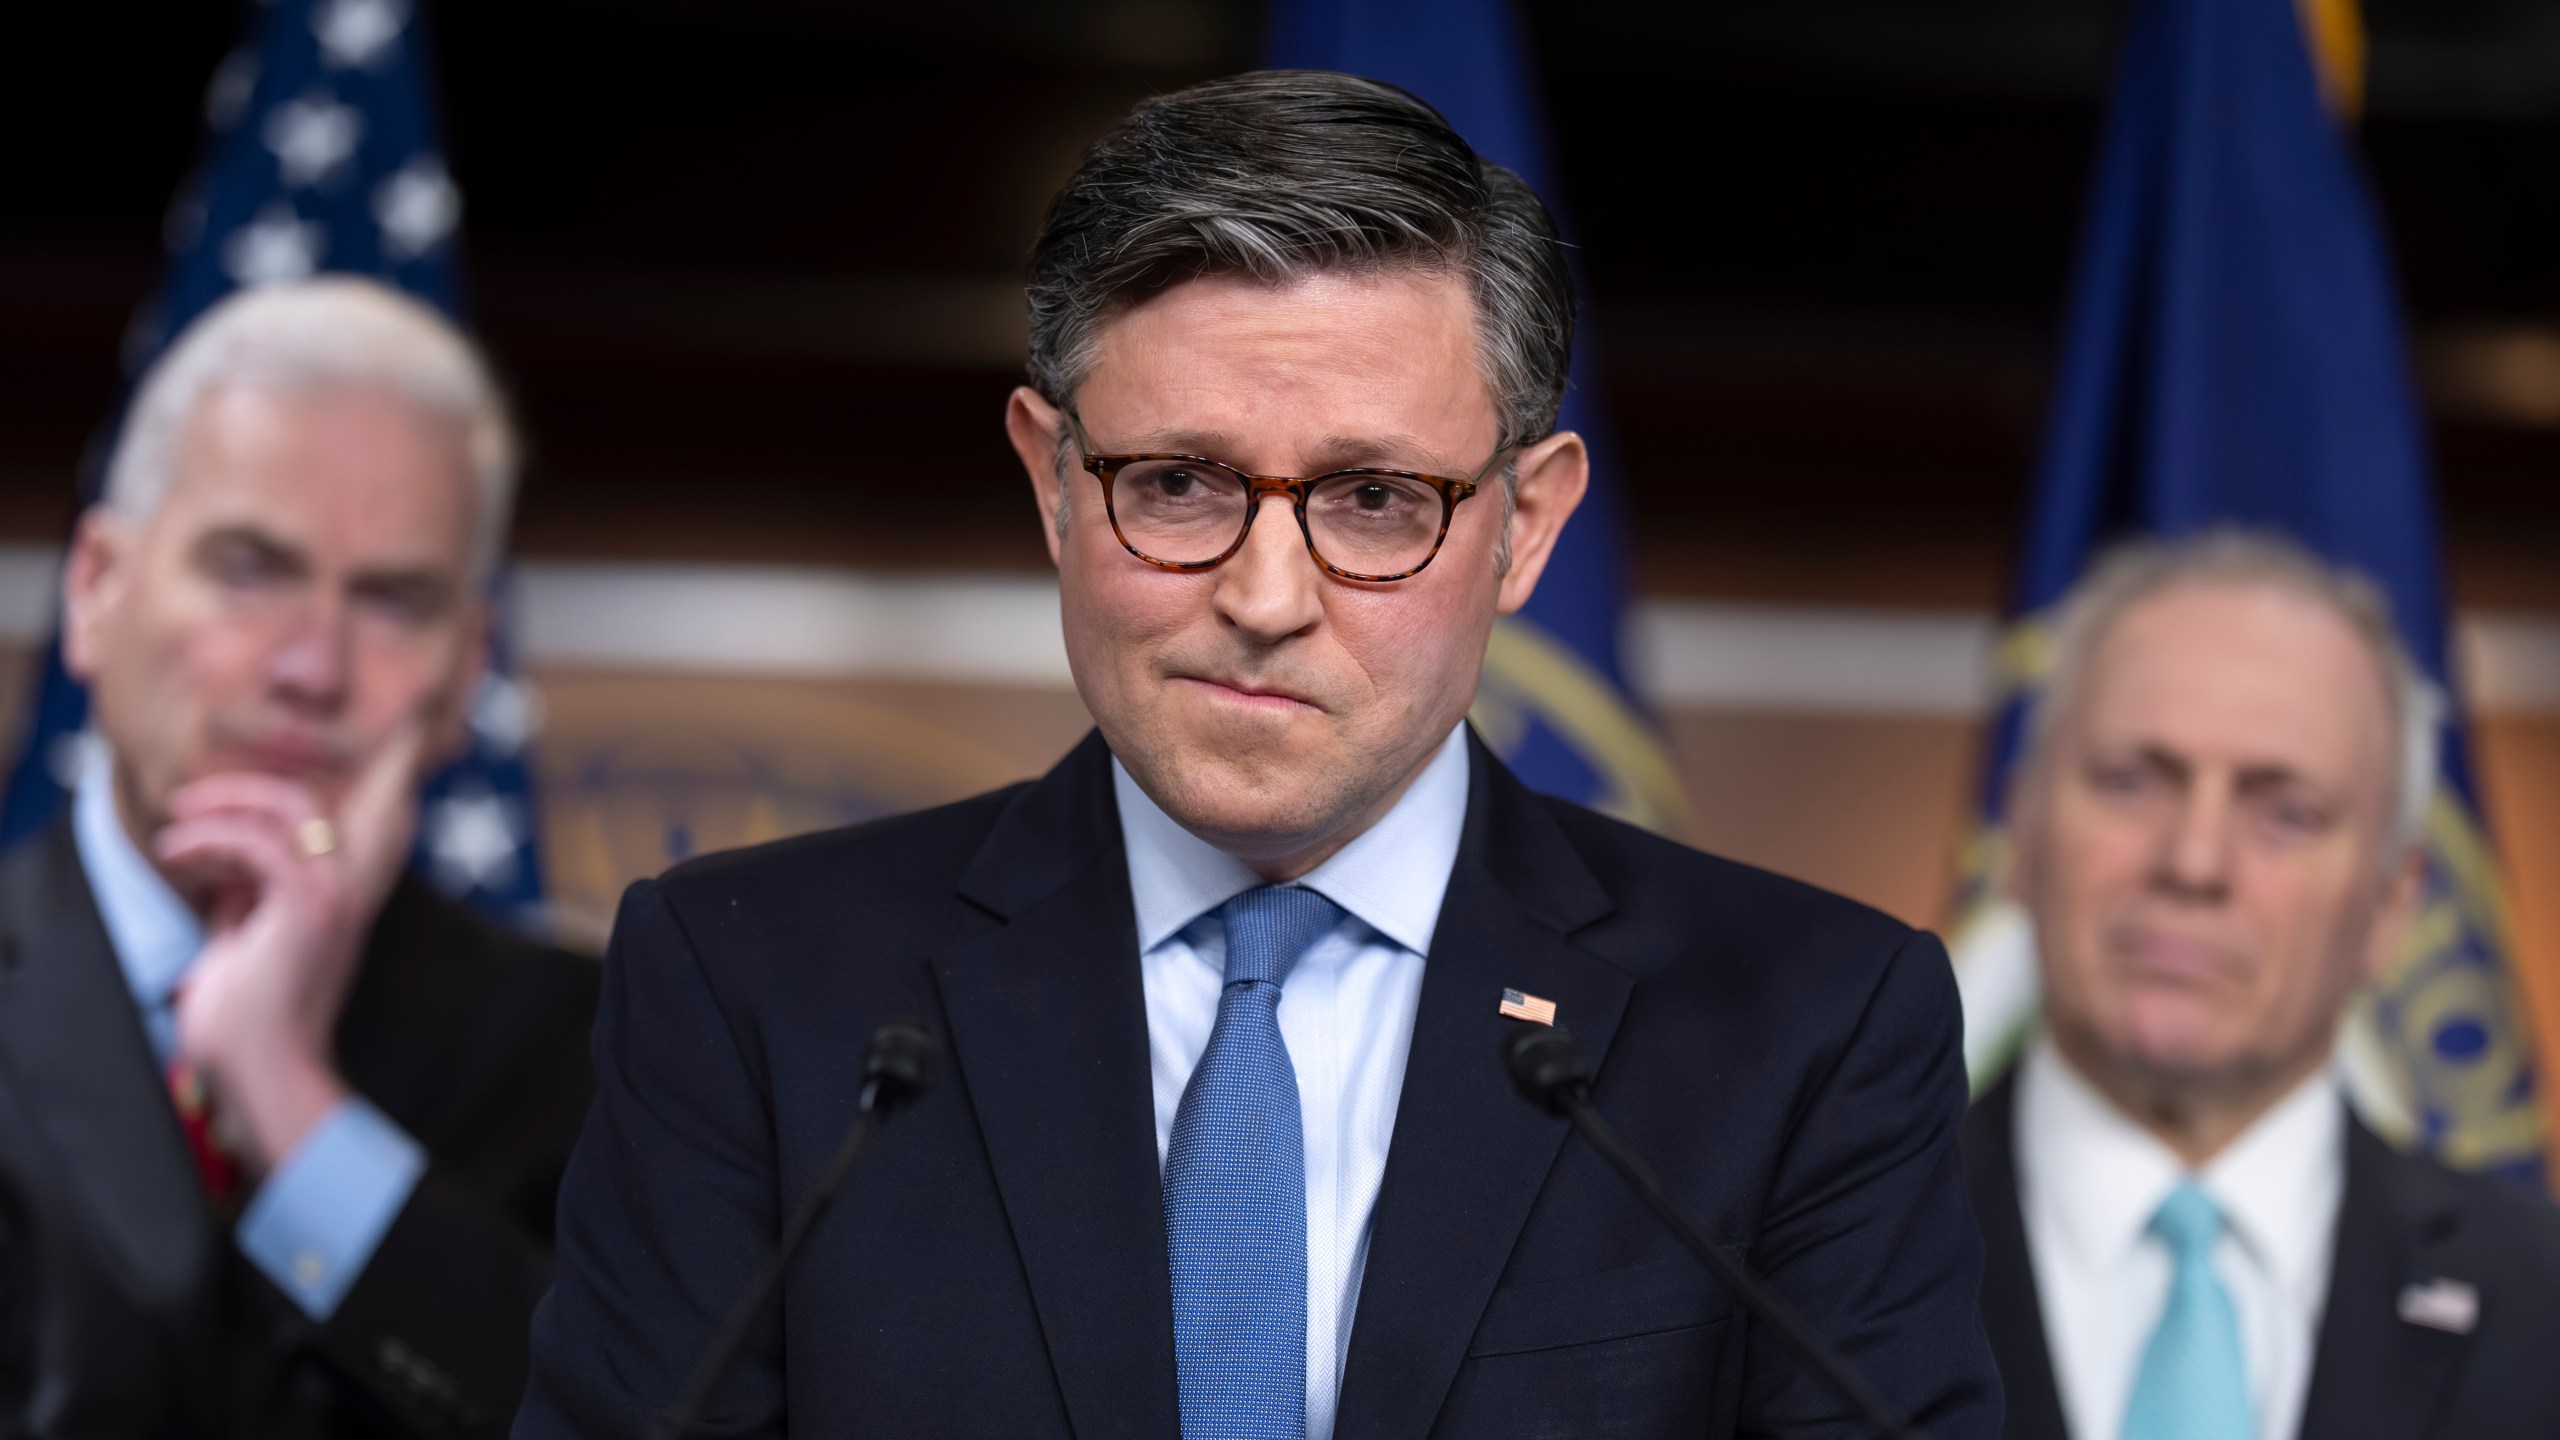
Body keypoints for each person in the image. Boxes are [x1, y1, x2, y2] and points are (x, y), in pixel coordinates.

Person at [521, 72, 2000, 1439]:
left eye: (1371, 500)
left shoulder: (1808, 1027)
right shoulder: (751, 986)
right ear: (1050, 480)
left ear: (1527, 527)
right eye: (1177, 483)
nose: (1266, 598)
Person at [0, 278, 598, 1438]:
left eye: (393, 599)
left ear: (467, 670)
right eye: (246, 569)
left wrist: (291, 1101)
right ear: (94, 591)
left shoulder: (595, 1051)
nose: (312, 667)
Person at [1964, 531, 2560, 1440]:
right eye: (2131, 780)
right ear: (2023, 828)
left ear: (2392, 905)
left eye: (2288, 811)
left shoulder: (2541, 1301)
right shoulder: (1806, 1266)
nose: (2194, 861)